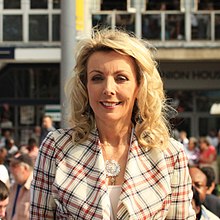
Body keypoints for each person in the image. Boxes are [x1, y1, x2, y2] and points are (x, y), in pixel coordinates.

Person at [30, 28, 195, 219]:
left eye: (121, 78)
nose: (108, 89)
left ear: (139, 87)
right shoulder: (56, 148)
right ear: (85, 86)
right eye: (97, 78)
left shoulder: (170, 155)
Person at [6, 153, 33, 220]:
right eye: (10, 166)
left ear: (25, 168)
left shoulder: (35, 189)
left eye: (14, 166)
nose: (10, 169)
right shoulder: (13, 187)